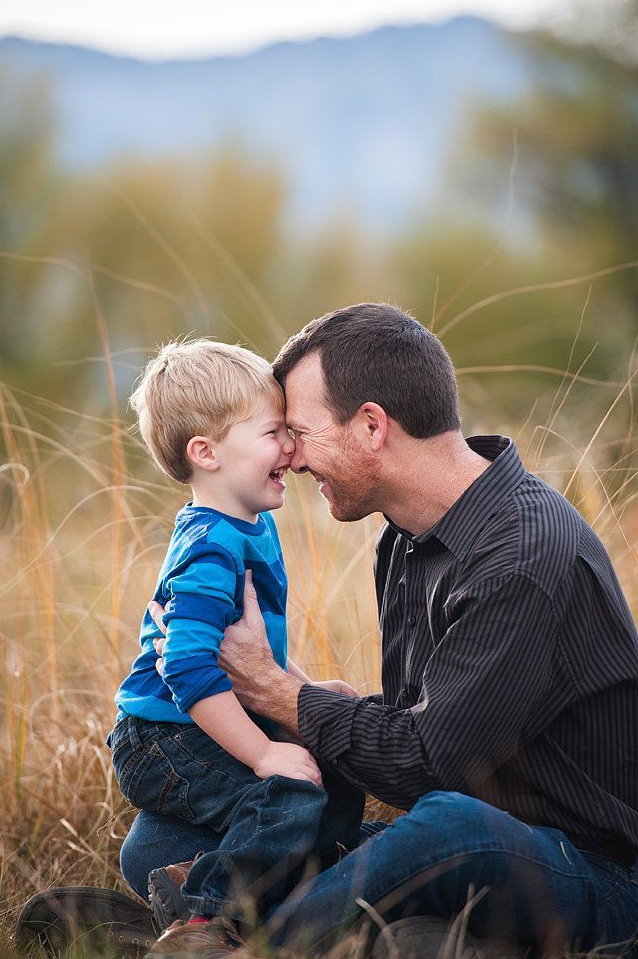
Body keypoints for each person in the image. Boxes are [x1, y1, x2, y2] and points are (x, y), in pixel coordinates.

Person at [137, 305, 638, 958]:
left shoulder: (521, 558)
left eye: (299, 431)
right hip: (477, 834)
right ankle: (400, 935)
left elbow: (433, 768)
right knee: (158, 843)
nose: (289, 457)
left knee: (445, 830)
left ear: (370, 425)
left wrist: (280, 693)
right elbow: (425, 730)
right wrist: (319, 714)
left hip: (592, 871)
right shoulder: (403, 543)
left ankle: (244, 944)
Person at [107, 339, 365, 948]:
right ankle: (205, 921)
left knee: (336, 771)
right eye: (273, 432)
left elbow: (253, 650)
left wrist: (300, 695)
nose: (291, 448)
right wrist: (262, 755)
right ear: (207, 452)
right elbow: (190, 669)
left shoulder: (252, 525)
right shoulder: (209, 548)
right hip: (165, 738)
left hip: (205, 718)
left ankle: (226, 887)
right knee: (287, 792)